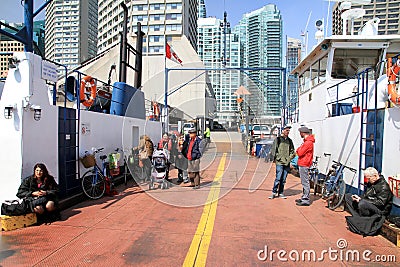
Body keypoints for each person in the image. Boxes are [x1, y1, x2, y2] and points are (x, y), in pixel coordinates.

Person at [268, 125, 295, 199]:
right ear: (282, 131)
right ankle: (274, 192)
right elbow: (274, 149)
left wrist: (289, 158)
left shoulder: (289, 141)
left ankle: (281, 192)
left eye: (288, 131)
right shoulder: (278, 139)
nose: (288, 132)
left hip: (287, 162)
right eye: (286, 130)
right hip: (279, 162)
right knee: (278, 178)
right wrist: (276, 157)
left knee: (283, 179)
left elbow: (292, 151)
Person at [295, 126, 315, 206]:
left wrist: (298, 149)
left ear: (303, 133)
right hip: (304, 163)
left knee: (305, 182)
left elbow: (299, 152)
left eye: (300, 133)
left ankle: (306, 199)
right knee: (304, 181)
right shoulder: (307, 142)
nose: (300, 134)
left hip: (304, 163)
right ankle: (304, 197)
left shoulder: (307, 143)